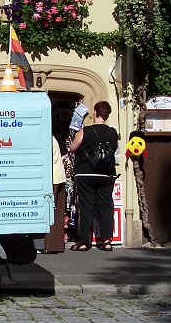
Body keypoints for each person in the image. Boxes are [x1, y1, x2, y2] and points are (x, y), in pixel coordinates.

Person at [68, 100, 119, 251]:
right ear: (107, 115)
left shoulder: (86, 131)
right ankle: (107, 240)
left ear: (95, 113)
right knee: (106, 206)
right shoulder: (113, 132)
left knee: (86, 206)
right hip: (106, 174)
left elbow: (72, 147)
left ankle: (84, 241)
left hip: (86, 172)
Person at [44, 135, 67, 253]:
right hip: (58, 177)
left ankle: (49, 245)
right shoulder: (52, 137)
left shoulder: (46, 138)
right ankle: (56, 245)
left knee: (49, 213)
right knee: (57, 214)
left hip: (51, 179)